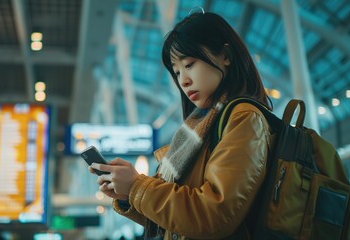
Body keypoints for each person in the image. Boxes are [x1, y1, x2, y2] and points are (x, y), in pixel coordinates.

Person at [90, 11, 274, 239]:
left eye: (189, 64)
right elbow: (173, 221)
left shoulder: (243, 119)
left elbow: (212, 215)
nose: (183, 80)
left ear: (225, 55)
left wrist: (137, 186)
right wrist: (128, 194)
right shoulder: (198, 128)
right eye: (177, 72)